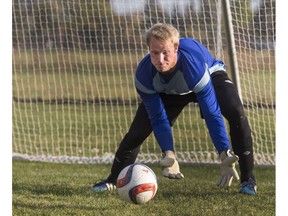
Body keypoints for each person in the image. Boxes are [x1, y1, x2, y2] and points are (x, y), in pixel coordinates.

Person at [92, 23, 256, 195]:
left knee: (236, 111)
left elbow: (211, 113)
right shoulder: (144, 75)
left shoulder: (194, 66)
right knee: (137, 133)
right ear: (148, 49)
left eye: (165, 52)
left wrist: (224, 152)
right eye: (155, 53)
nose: (160, 59)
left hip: (208, 77)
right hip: (170, 90)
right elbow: (158, 117)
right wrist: (168, 154)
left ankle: (248, 180)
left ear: (176, 47)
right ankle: (113, 180)